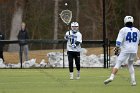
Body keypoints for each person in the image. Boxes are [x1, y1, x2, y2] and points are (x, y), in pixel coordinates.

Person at [104, 16, 140, 86]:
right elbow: (138, 41)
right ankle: (133, 81)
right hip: (134, 50)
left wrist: (117, 49)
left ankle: (111, 77)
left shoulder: (123, 30)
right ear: (132, 21)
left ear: (125, 21)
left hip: (125, 50)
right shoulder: (137, 30)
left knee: (118, 63)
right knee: (130, 64)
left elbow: (118, 42)